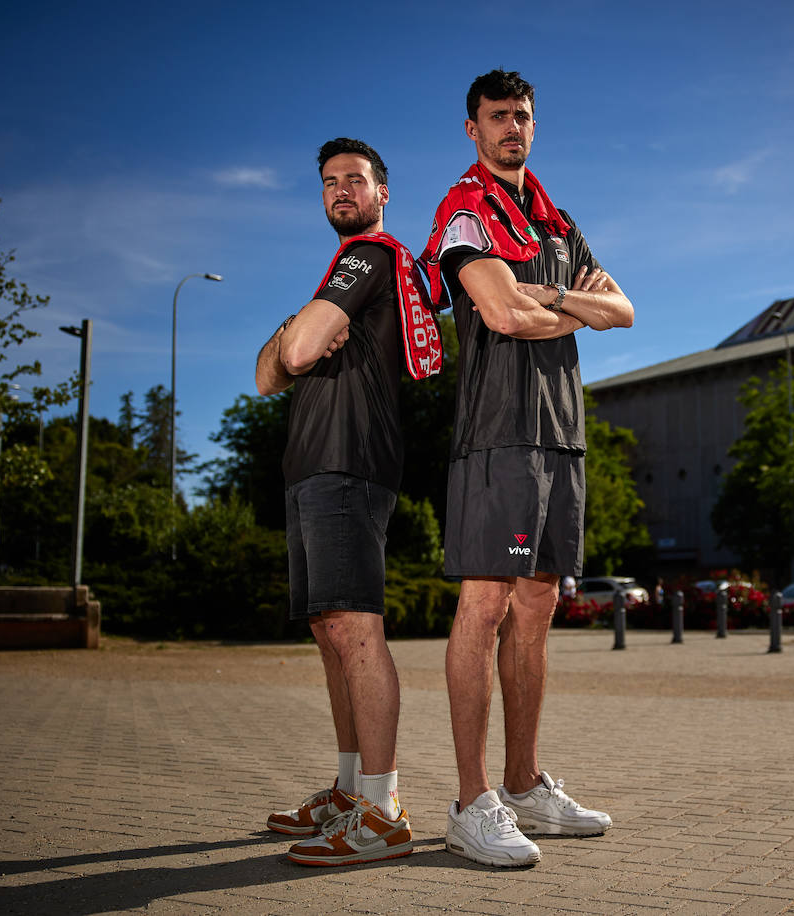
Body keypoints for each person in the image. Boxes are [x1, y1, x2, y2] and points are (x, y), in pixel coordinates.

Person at [420, 69, 634, 868]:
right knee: (484, 603)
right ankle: (471, 801)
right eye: (498, 116)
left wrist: (555, 297)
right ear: (471, 128)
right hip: (498, 432)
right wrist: (568, 304)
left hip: (563, 434)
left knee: (539, 604)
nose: (514, 126)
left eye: (523, 115)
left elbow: (626, 310)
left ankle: (522, 786)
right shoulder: (463, 210)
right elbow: (502, 313)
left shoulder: (556, 218)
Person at [255, 137, 440, 867]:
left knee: (357, 633)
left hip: (347, 464)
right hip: (310, 470)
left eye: (354, 180)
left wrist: (299, 334)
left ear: (382, 193)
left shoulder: (371, 256)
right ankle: (346, 789)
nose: (340, 191)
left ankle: (383, 810)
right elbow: (267, 374)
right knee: (331, 635)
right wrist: (298, 326)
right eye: (329, 182)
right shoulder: (337, 273)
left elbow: (293, 358)